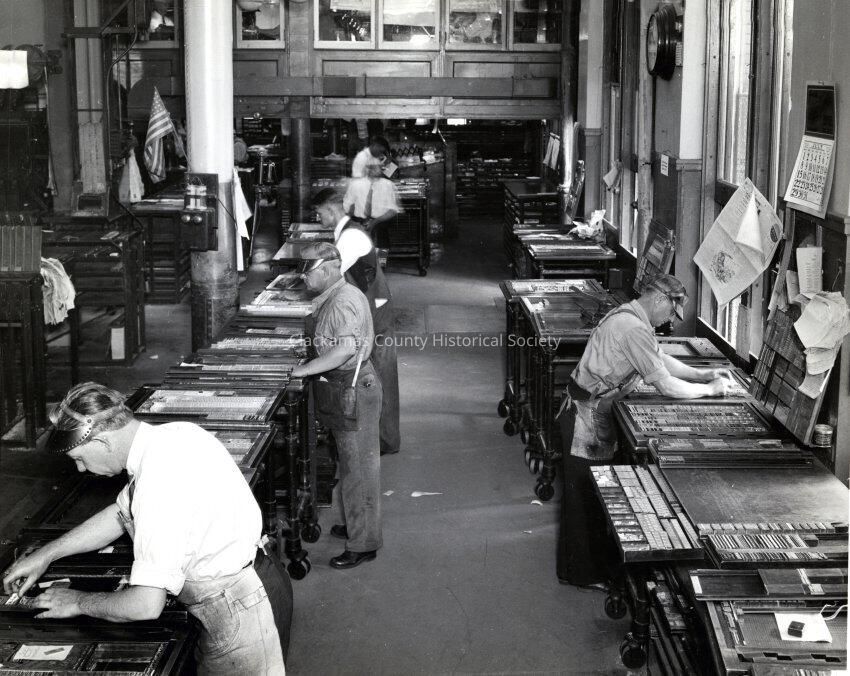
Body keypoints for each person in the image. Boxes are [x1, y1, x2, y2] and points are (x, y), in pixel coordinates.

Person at [1, 382, 292, 675]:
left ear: (102, 442)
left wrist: (77, 601)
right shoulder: (173, 435)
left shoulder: (158, 483)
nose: (81, 469)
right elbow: (118, 514)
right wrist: (46, 554)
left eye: (79, 458)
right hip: (254, 582)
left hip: (238, 609)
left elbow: (145, 605)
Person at [556, 274, 731, 587]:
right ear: (660, 299)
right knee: (587, 498)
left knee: (589, 493)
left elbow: (658, 359)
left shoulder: (632, 316)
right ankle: (586, 575)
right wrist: (710, 391)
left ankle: (585, 570)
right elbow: (665, 385)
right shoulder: (633, 327)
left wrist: (701, 375)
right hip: (586, 416)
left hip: (590, 409)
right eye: (672, 312)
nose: (671, 321)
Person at [290, 242, 383, 568]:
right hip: (345, 387)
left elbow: (344, 351)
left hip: (353, 390)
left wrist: (303, 370)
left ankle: (363, 543)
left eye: (308, 270)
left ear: (329, 269)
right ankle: (358, 523)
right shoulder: (337, 295)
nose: (303, 277)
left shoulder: (342, 302)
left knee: (359, 471)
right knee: (350, 464)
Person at [314, 188, 401, 455]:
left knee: (380, 374)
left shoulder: (351, 236)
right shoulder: (345, 232)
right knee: (374, 374)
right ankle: (376, 437)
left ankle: (384, 441)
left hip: (376, 311)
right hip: (368, 307)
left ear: (331, 209)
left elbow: (330, 274)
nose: (317, 218)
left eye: (319, 212)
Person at [343, 162, 400, 242]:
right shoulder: (355, 184)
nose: (374, 169)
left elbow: (393, 210)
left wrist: (374, 222)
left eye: (377, 166)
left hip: (380, 226)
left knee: (380, 247)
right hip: (358, 225)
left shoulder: (388, 185)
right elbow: (347, 207)